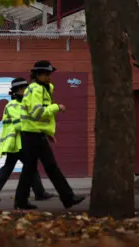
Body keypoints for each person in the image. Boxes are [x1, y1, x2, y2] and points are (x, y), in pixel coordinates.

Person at [14, 60, 85, 210]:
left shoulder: (43, 88)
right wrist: (56, 107)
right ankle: (68, 198)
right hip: (33, 136)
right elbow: (37, 113)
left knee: (29, 170)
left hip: (34, 134)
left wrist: (47, 132)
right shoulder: (36, 90)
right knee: (51, 167)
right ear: (37, 75)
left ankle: (20, 201)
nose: (49, 76)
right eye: (46, 74)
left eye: (49, 73)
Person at [0, 78, 55, 202]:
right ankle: (39, 193)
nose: (26, 91)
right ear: (17, 91)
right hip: (18, 142)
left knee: (9, 167)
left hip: (17, 143)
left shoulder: (21, 104)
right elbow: (19, 125)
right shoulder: (13, 105)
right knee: (30, 166)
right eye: (23, 89)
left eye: (26, 88)